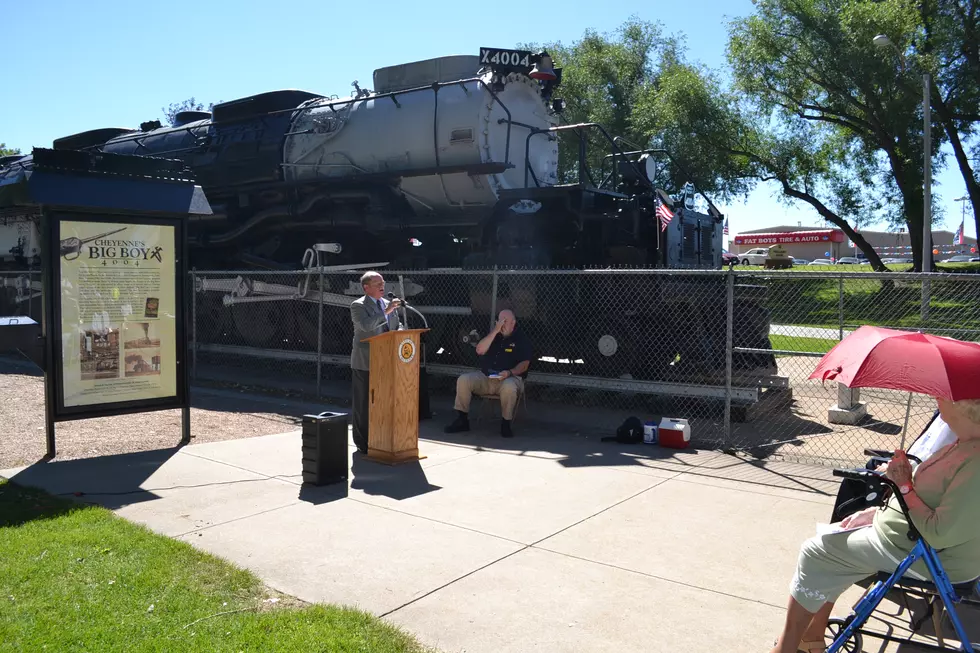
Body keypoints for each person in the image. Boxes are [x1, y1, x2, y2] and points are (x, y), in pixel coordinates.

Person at [768, 396, 980, 653]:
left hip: (933, 559)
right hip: (913, 543)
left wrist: (902, 486)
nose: (937, 398)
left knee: (816, 551)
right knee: (836, 539)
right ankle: (810, 639)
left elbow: (939, 532)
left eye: (945, 396)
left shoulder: (975, 461)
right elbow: (934, 497)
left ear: (966, 407)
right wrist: (884, 505)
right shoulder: (963, 444)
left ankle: (790, 646)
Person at [443, 309, 532, 438]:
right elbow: (479, 350)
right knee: (464, 380)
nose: (502, 325)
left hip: (509, 378)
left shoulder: (521, 339)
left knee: (509, 387)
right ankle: (462, 420)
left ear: (513, 323)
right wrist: (495, 331)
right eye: (500, 322)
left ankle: (505, 424)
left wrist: (509, 372)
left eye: (505, 322)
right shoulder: (494, 335)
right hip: (487, 377)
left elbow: (524, 365)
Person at [349, 271, 402, 453]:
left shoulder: (387, 304)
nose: (382, 286)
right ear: (366, 287)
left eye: (383, 282)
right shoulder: (358, 305)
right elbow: (365, 326)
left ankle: (380, 438)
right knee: (364, 404)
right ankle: (362, 443)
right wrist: (386, 312)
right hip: (365, 361)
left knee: (382, 402)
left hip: (386, 361)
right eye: (378, 283)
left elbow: (395, 326)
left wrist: (403, 333)